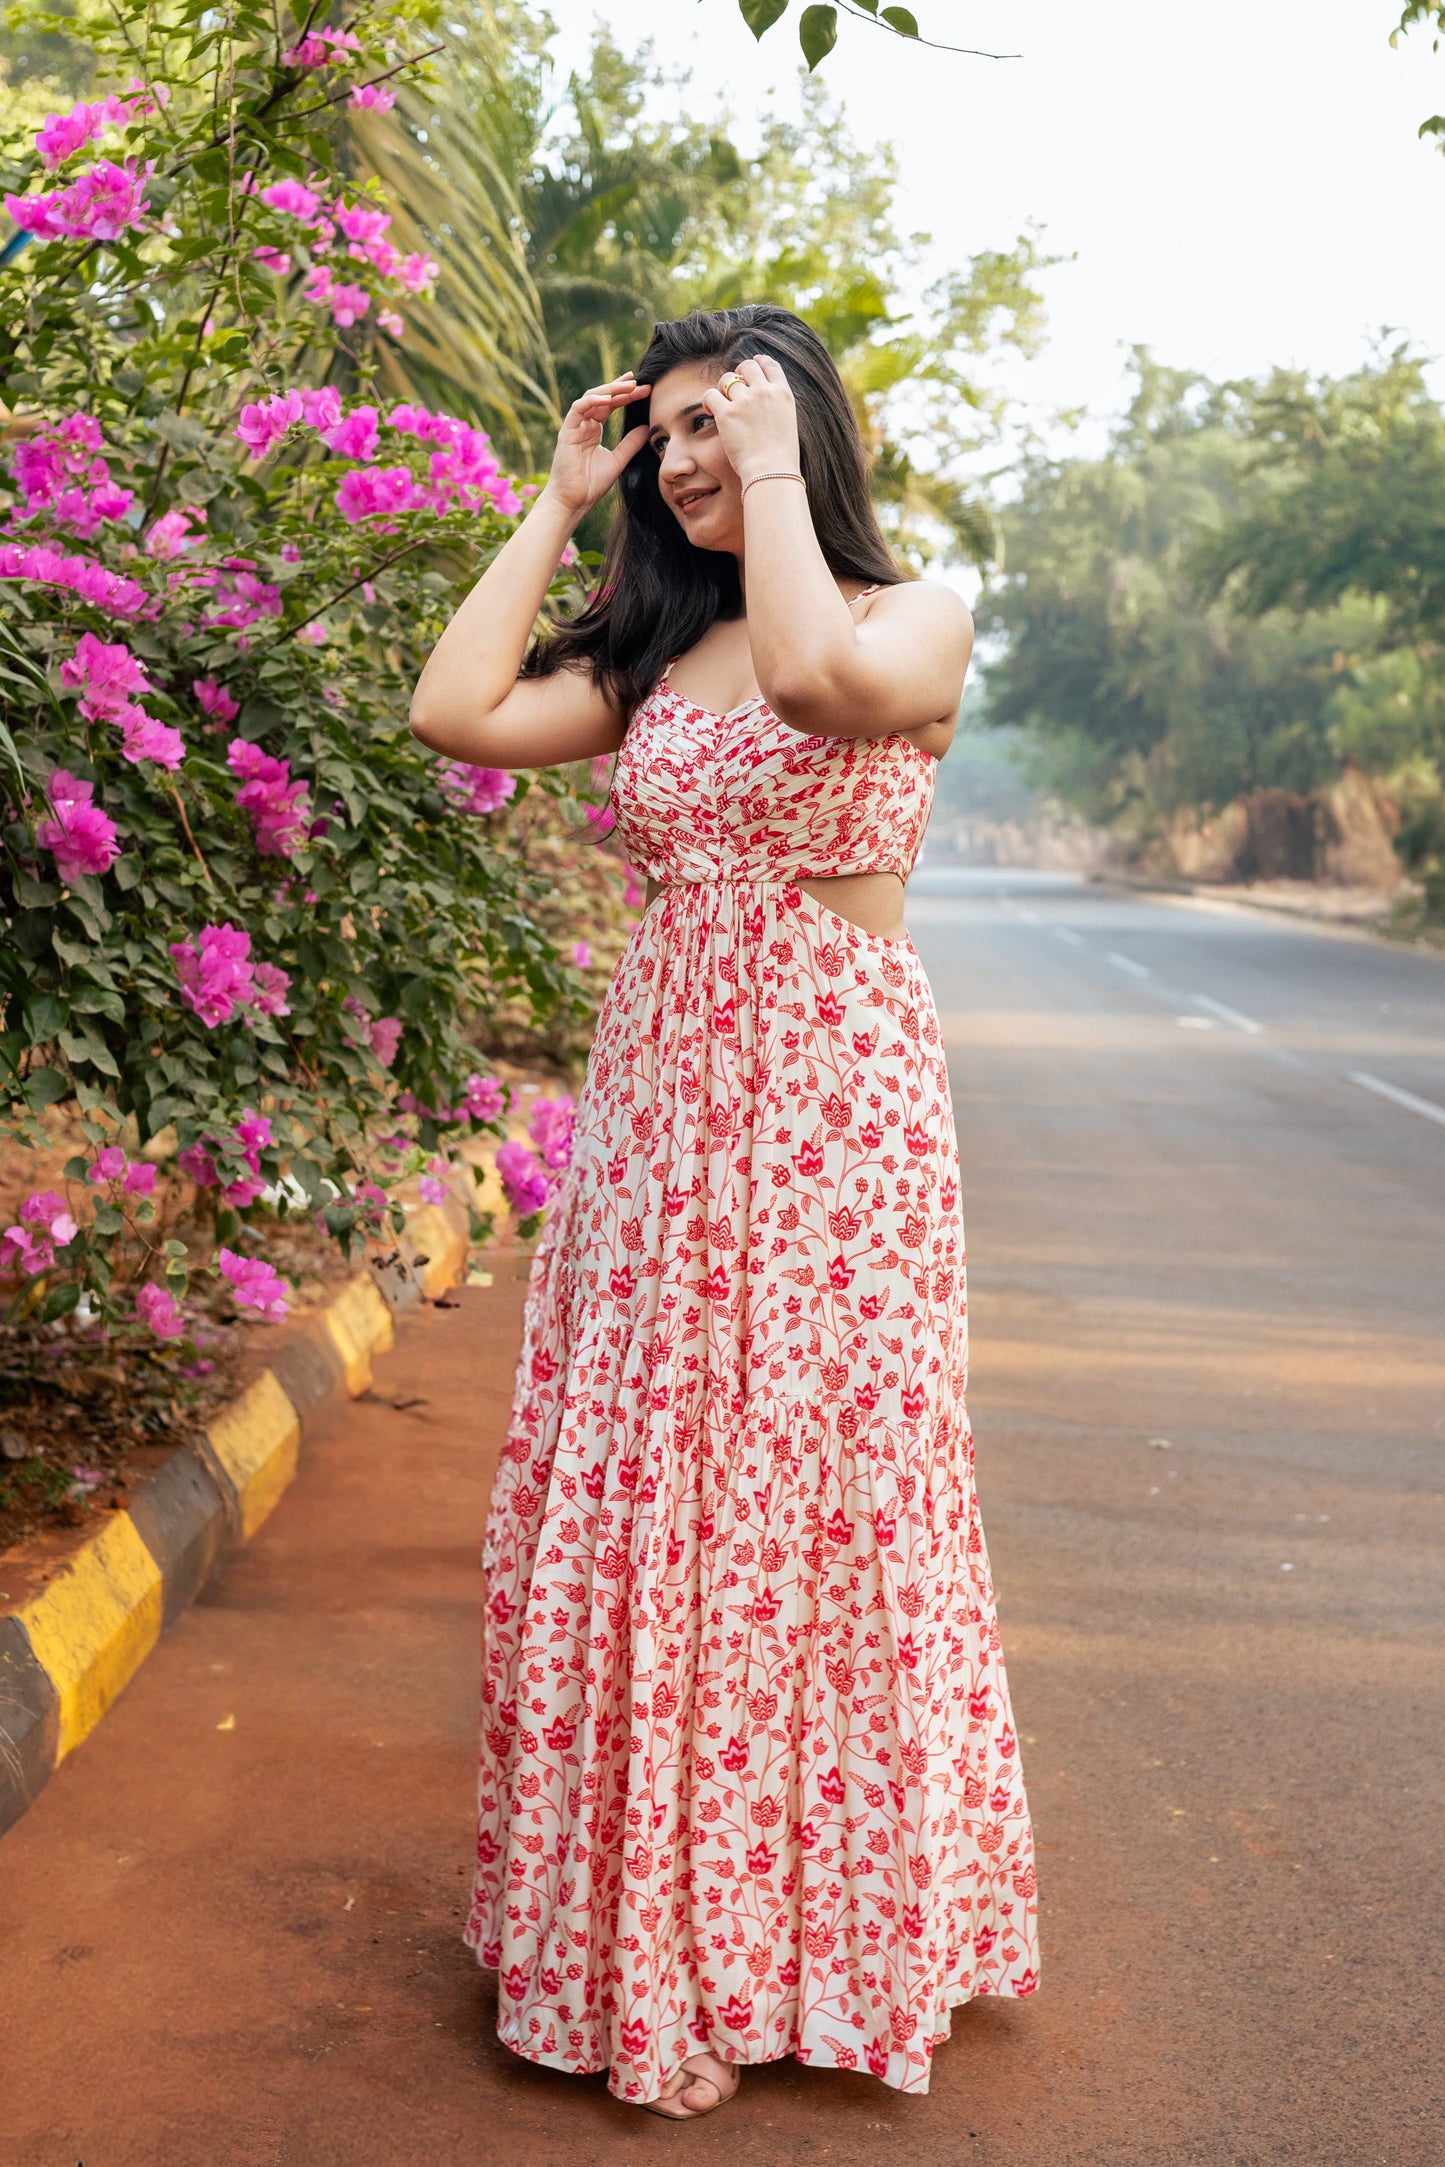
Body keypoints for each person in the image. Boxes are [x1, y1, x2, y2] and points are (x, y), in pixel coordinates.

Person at [410, 304, 1038, 2121]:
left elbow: (822, 692)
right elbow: (456, 712)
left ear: (797, 433)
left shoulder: (907, 617)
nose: (682, 457)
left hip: (833, 1120)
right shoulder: (649, 654)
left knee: (816, 1487)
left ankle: (822, 1949)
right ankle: (643, 1933)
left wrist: (770, 473)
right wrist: (554, 497)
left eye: (719, 424)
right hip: (658, 1119)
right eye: (666, 433)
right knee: (643, 1491)